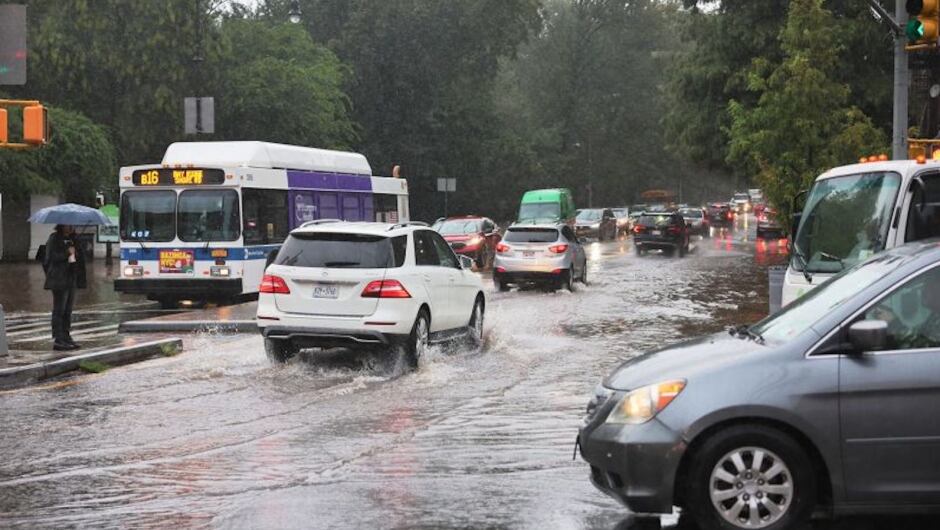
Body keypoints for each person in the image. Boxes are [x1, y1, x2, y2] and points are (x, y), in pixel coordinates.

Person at [43, 225, 87, 351]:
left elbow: (79, 259)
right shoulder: (54, 238)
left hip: (71, 278)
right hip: (59, 279)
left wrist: (76, 251)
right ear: (62, 225)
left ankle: (66, 336)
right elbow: (51, 257)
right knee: (59, 309)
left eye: (72, 225)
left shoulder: (74, 239)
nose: (71, 227)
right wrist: (66, 253)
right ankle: (58, 338)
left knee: (68, 310)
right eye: (68, 225)